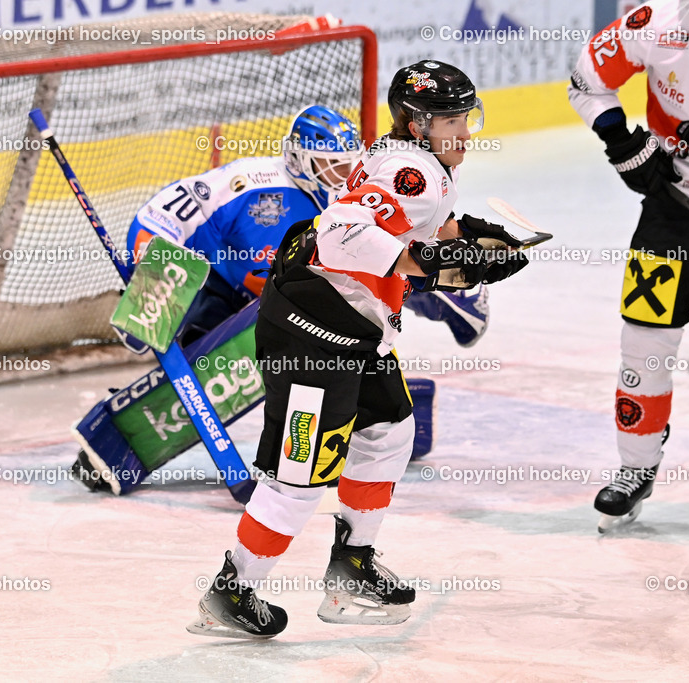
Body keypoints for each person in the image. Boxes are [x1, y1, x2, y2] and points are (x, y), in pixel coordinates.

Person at [187, 60, 529, 639]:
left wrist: (471, 245)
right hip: (312, 334)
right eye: (453, 119)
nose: (466, 131)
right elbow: (341, 236)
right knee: (298, 482)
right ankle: (231, 592)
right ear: (419, 124)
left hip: (354, 329)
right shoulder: (411, 172)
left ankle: (351, 567)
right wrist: (443, 262)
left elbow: (427, 232)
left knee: (390, 429)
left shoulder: (420, 166)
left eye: (467, 116)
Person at [568, 0, 689, 532]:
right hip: (675, 206)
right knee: (645, 339)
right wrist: (622, 143)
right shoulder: (657, 24)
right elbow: (586, 81)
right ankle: (636, 466)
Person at [125, 106, 491, 348]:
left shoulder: (355, 191)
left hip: (282, 303)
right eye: (331, 166)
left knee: (382, 269)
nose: (344, 177)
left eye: (349, 165)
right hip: (222, 290)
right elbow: (160, 215)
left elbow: (404, 239)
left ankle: (460, 301)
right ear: (299, 160)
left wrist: (455, 258)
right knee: (194, 346)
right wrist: (152, 271)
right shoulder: (249, 182)